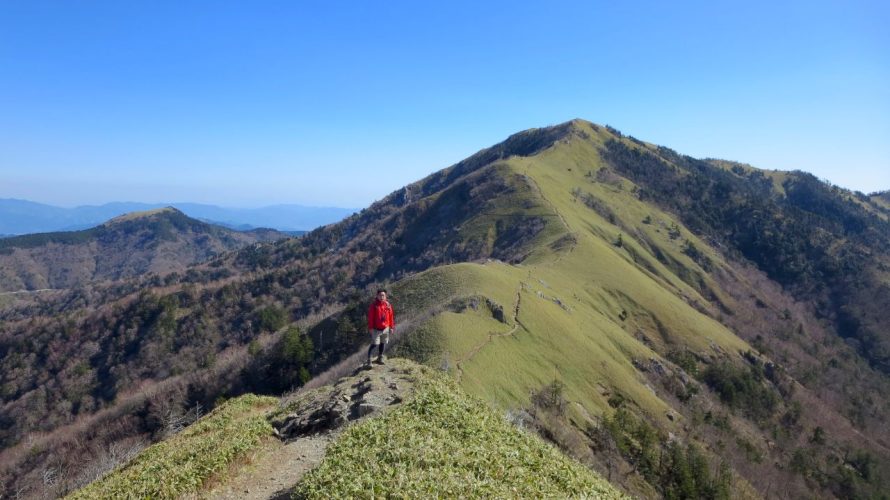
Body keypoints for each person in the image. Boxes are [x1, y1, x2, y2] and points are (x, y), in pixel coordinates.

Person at [366, 288, 395, 366]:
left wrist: (391, 327)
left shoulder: (388, 305)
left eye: (383, 295)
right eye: (380, 295)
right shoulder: (374, 306)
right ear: (377, 296)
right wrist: (371, 328)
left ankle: (380, 357)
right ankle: (369, 360)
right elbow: (370, 318)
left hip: (386, 328)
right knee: (375, 344)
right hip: (376, 329)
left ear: (385, 296)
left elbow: (391, 316)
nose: (382, 297)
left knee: (383, 343)